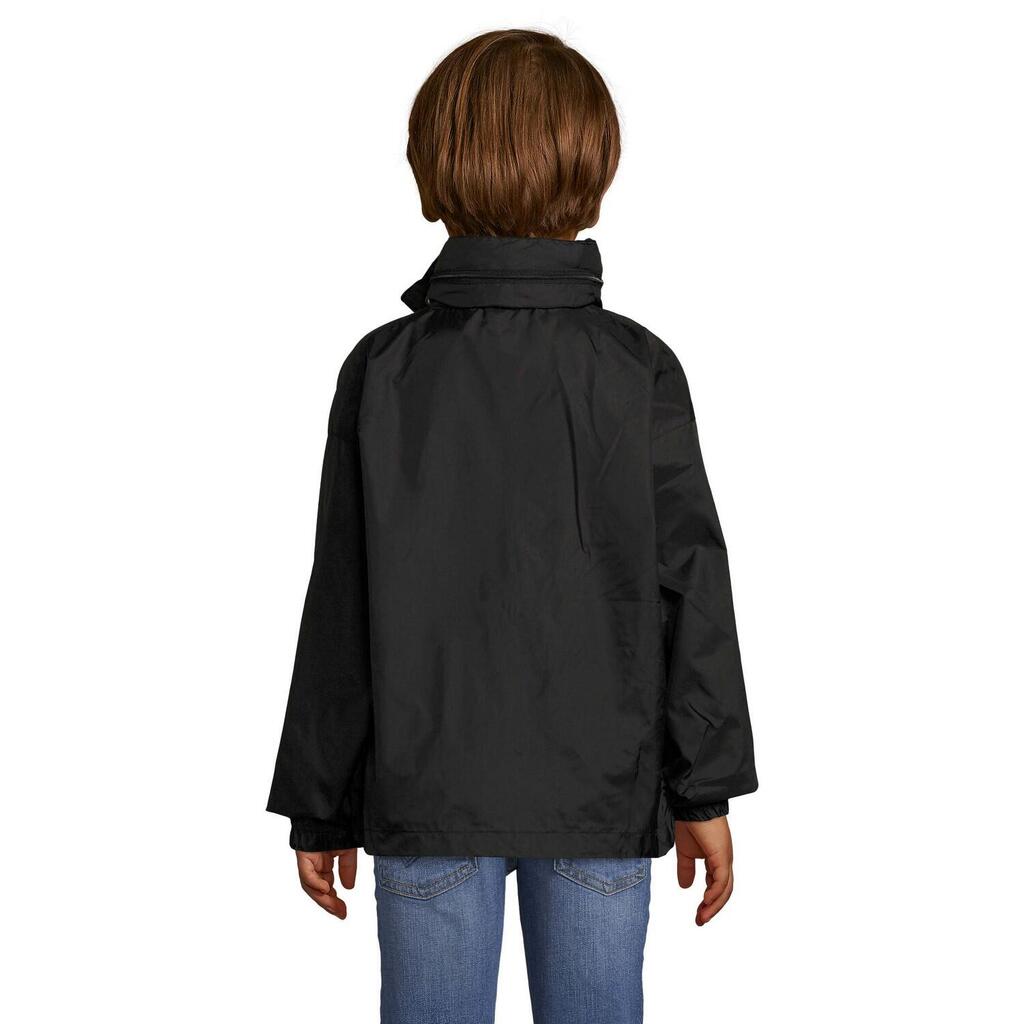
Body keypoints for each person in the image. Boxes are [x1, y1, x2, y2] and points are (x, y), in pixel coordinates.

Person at [268, 28, 757, 1024]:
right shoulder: (637, 368)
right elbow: (690, 591)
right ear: (594, 166)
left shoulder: (383, 369)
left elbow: (341, 599)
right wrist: (702, 792)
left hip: (428, 795)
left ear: (434, 166)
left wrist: (322, 799)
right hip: (598, 797)